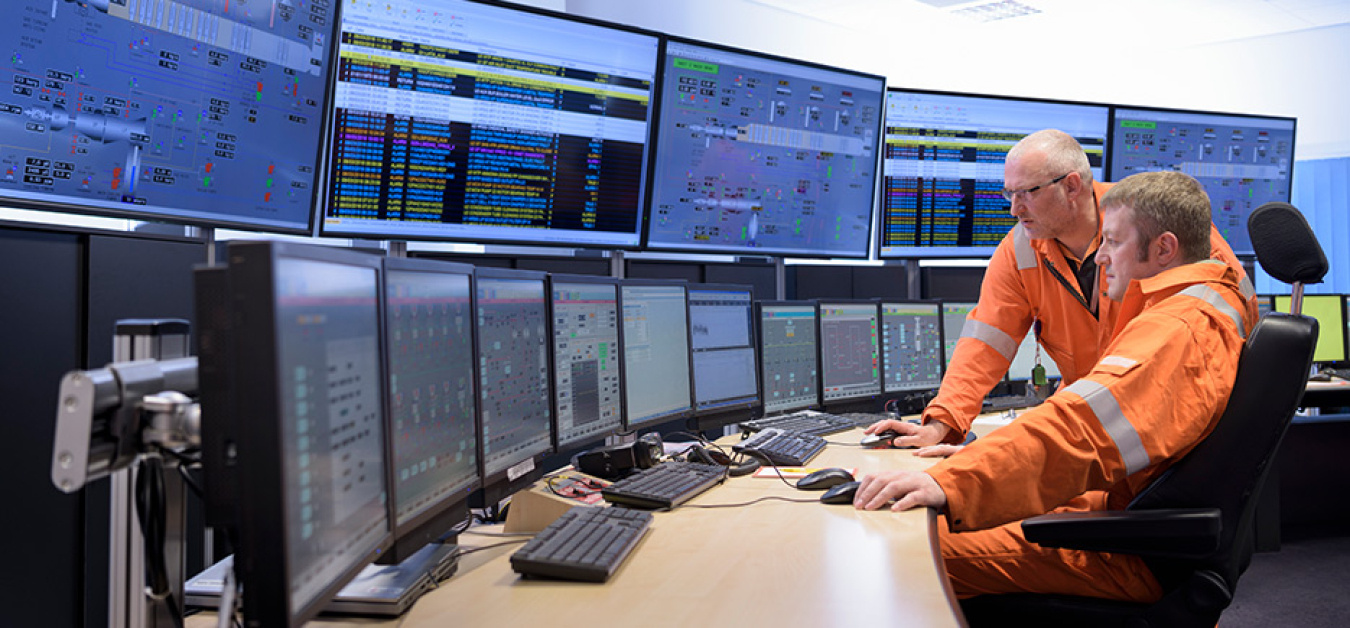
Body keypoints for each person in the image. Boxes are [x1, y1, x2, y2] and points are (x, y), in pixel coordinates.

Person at [852, 171, 1252, 602]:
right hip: (1123, 499)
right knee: (932, 525)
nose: (1101, 258)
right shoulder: (1193, 297)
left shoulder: (1176, 329)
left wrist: (954, 482)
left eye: (1112, 243)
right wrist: (952, 430)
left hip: (1126, 545)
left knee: (905, 548)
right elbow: (989, 343)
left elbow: (1081, 431)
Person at [865, 130, 1256, 451]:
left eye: (1027, 193)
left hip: (1168, 424)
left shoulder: (1153, 221)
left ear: (1071, 186)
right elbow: (984, 343)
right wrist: (942, 423)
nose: (1015, 209)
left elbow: (1233, 308)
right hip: (1092, 421)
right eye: (1009, 195)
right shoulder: (1019, 250)